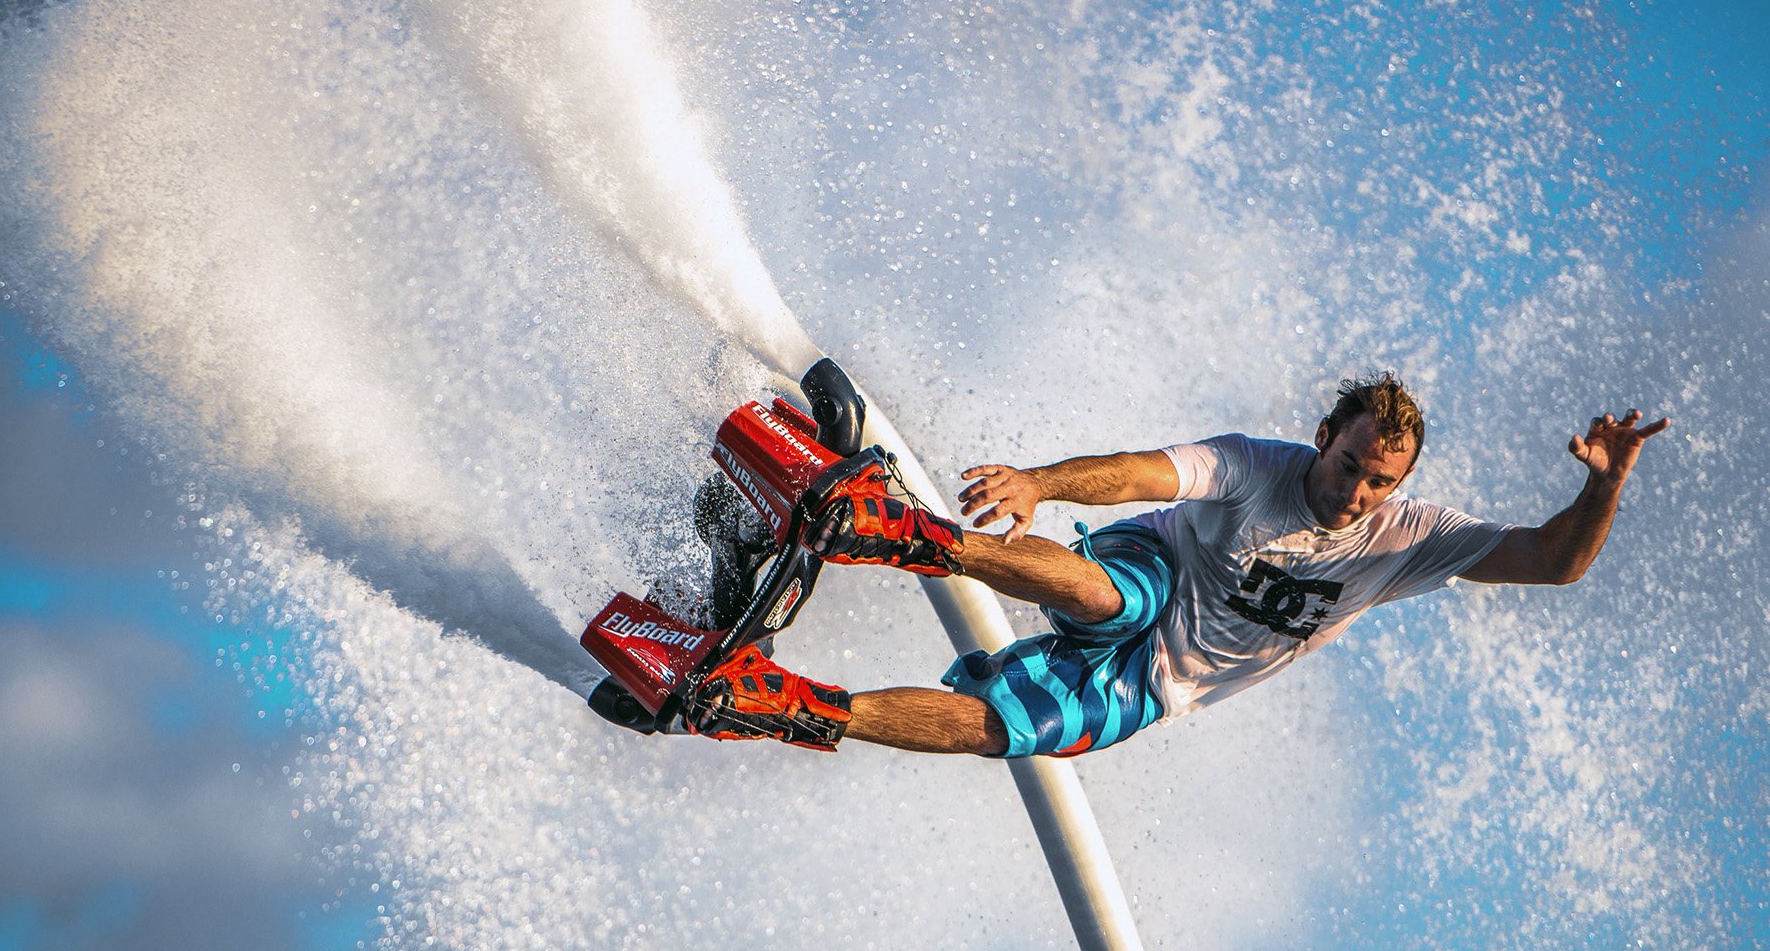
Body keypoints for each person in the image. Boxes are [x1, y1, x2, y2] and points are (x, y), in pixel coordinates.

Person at [684, 372, 1669, 756]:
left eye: (1379, 482)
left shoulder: (1406, 538)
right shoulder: (1261, 465)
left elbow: (1554, 561)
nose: (1356, 493)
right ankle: (878, 529)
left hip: (1165, 682)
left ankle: (776, 701)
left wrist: (1608, 479)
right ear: (1324, 437)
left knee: (1004, 731)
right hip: (1155, 573)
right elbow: (1139, 472)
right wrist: (1040, 482)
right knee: (1104, 591)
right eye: (1350, 466)